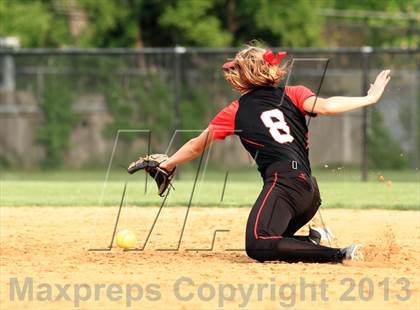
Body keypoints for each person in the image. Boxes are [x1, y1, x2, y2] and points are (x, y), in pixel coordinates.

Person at [158, 45, 391, 263]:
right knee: (273, 239)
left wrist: (168, 164)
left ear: (243, 76)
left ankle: (339, 254)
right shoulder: (293, 93)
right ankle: (312, 240)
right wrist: (369, 98)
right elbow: (327, 106)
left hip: (284, 186)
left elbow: (195, 147)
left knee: (258, 244)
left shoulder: (235, 110)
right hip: (309, 192)